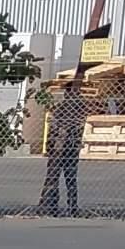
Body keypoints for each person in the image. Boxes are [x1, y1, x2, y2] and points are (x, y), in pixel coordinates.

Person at [40, 65, 90, 216]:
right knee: (68, 178)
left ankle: (58, 206)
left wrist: (51, 144)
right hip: (66, 146)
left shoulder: (66, 108)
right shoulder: (76, 108)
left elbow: (54, 127)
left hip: (62, 146)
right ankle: (69, 207)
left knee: (59, 177)